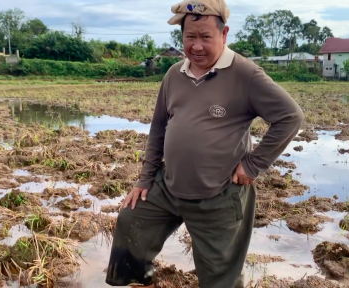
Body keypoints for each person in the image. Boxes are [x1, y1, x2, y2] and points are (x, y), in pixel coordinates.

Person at [105, 0, 304, 287]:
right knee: (131, 219)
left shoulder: (245, 75)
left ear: (224, 35)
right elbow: (159, 127)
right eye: (190, 37)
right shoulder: (174, 75)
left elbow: (290, 116)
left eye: (205, 37)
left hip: (219, 195)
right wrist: (145, 179)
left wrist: (253, 164)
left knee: (220, 276)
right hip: (168, 186)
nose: (196, 46)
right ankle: (139, 280)